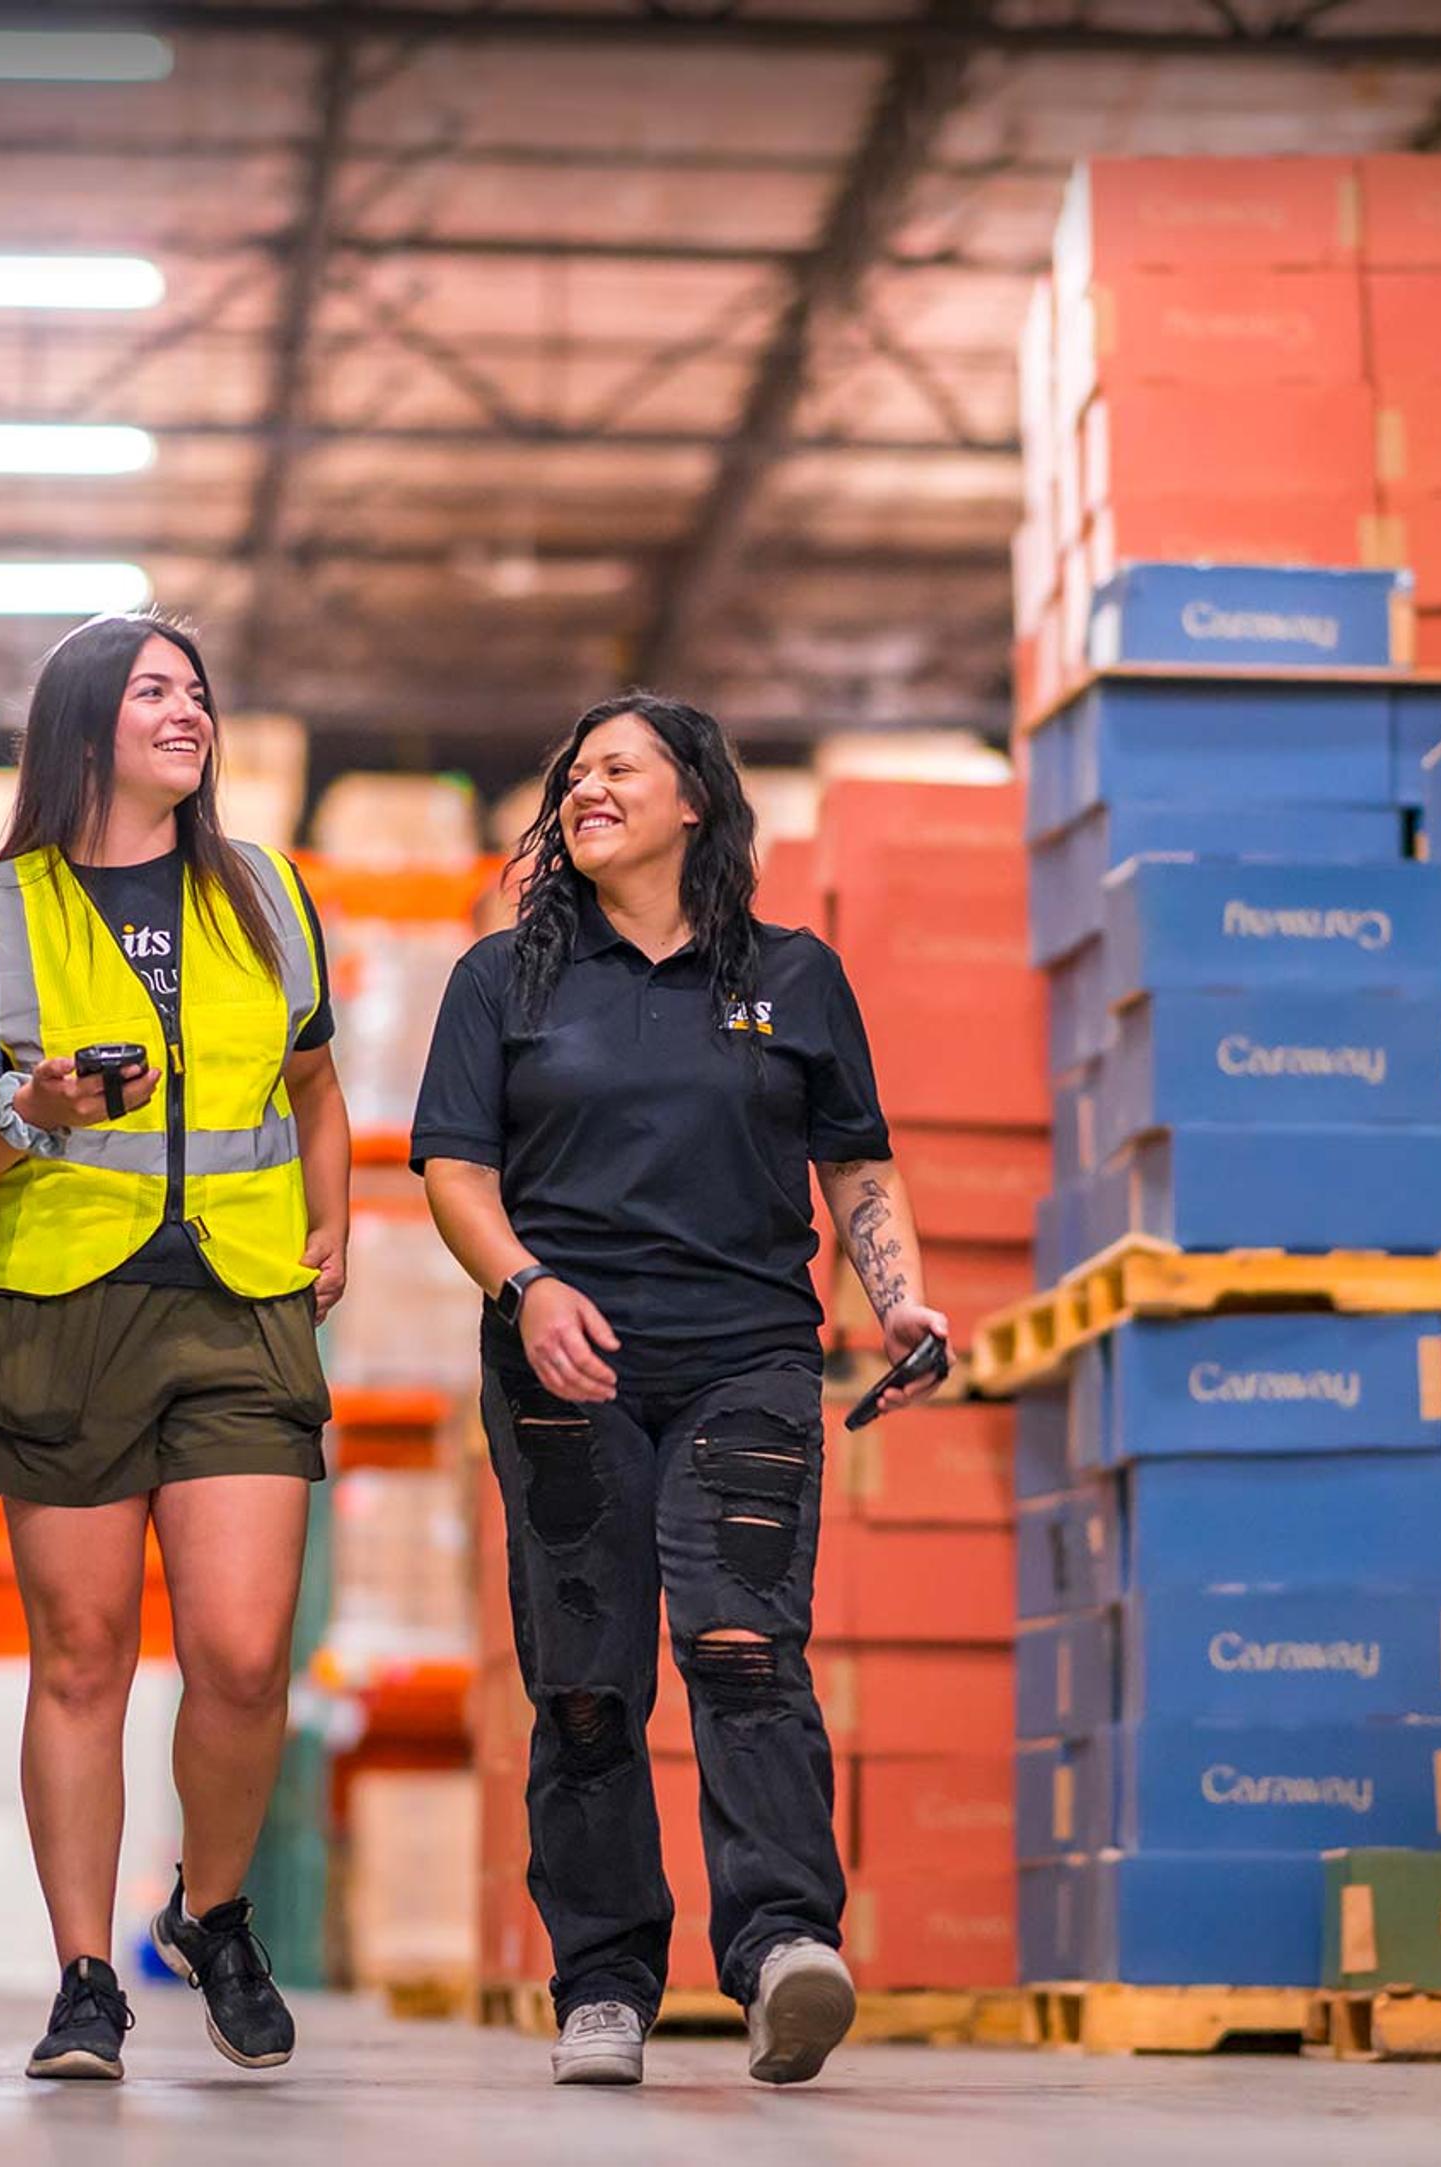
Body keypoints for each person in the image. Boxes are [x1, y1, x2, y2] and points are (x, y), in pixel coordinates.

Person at [413, 692, 951, 2091]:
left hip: (749, 1358)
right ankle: (603, 1982)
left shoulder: (794, 972)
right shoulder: (504, 982)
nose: (586, 789)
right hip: (562, 1361)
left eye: (619, 769)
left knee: (743, 1647)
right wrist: (528, 1290)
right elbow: (455, 1174)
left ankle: (782, 1948)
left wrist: (898, 1296)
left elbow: (860, 1166)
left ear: (695, 800)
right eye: (573, 774)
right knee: (587, 1686)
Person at [0, 612, 351, 2082]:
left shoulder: (271, 892)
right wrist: (36, 1104)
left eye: (200, 692)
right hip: (67, 1309)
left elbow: (313, 1089)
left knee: (240, 1656)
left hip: (240, 1304)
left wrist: (336, 1223)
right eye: (156, 690)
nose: (191, 711)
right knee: (86, 1655)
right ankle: (86, 1979)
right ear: (85, 721)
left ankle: (211, 1912)